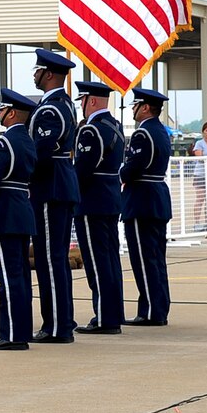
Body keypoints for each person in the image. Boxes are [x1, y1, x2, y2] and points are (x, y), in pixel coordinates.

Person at [0, 89, 37, 351]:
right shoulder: (27, 141)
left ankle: (12, 334)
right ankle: (21, 330)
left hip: (3, 214)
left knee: (9, 278)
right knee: (20, 276)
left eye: (2, 110)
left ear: (11, 113)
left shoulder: (2, 143)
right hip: (21, 212)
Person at [27, 49, 79, 344]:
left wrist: (20, 167)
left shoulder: (51, 109)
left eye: (37, 70)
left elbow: (41, 154)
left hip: (50, 188)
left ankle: (57, 326)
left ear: (47, 74)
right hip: (58, 186)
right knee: (54, 258)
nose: (34, 75)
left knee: (50, 259)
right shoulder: (61, 104)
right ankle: (59, 322)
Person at [72, 81, 126, 336]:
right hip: (110, 199)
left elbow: (82, 170)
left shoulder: (91, 130)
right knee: (110, 259)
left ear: (91, 101)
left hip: (92, 201)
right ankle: (114, 313)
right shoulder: (115, 126)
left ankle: (105, 318)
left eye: (82, 101)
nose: (81, 107)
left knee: (97, 261)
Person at [120, 88, 173, 327]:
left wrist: (119, 173)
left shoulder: (143, 134)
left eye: (136, 105)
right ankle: (159, 307)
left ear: (145, 107)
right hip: (155, 198)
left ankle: (151, 310)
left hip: (142, 200)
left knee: (144, 259)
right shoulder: (160, 131)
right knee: (155, 258)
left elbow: (132, 168)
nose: (133, 109)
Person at [189, 121, 207, 229]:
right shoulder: (199, 143)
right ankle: (197, 223)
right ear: (203, 132)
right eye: (206, 130)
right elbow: (199, 156)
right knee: (200, 198)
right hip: (201, 175)